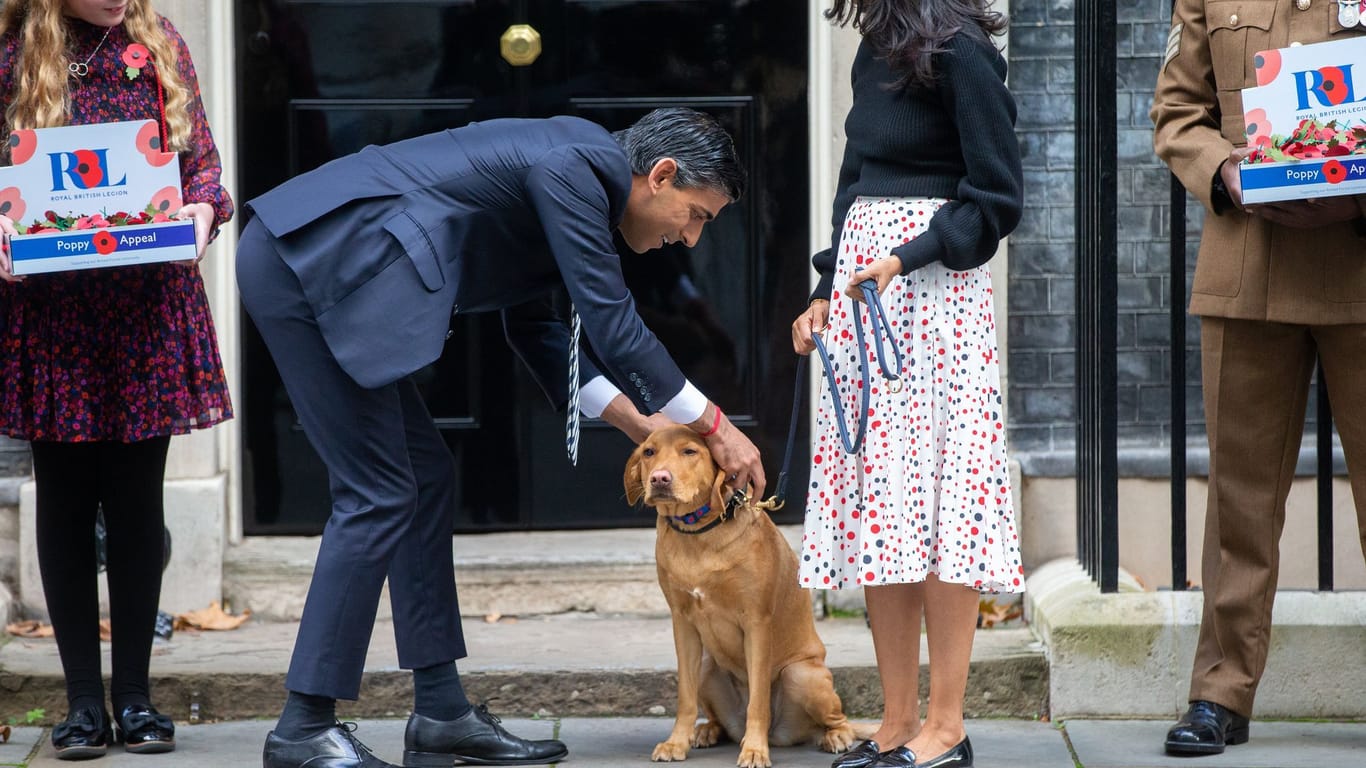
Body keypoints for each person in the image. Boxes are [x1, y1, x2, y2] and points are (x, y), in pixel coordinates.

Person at [235, 106, 766, 768]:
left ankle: (439, 715)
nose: (689, 239)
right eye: (696, 215)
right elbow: (613, 324)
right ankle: (302, 726)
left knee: (424, 479)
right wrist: (716, 426)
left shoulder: (579, 183)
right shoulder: (576, 166)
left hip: (333, 271)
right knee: (379, 491)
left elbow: (536, 330)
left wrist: (642, 424)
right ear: (660, 176)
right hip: (309, 265)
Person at [789, 2, 1023, 767]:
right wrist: (827, 286)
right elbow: (855, 181)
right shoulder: (875, 46)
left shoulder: (961, 52)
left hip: (935, 296)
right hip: (868, 294)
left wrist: (909, 254)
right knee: (883, 509)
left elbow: (996, 196)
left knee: (941, 501)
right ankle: (894, 723)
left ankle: (947, 726)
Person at [0, 0, 232, 760]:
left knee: (136, 505)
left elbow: (201, 167)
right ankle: (79, 708)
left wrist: (199, 214)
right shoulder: (12, 53)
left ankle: (134, 699)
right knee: (63, 506)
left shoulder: (157, 41)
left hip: (144, 314)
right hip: (53, 316)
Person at [1151, 1, 1366, 757]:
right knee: (1239, 503)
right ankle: (1220, 695)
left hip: (1361, 257)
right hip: (1249, 267)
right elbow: (1178, 112)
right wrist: (1230, 173)